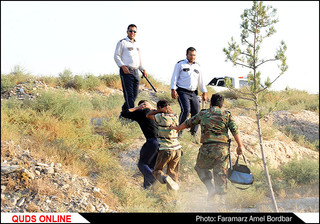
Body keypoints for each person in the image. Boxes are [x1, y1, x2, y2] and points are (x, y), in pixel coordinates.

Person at [171, 93, 243, 198]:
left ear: (210, 103)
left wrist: (177, 128)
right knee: (220, 174)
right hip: (222, 149)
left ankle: (211, 189)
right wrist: (240, 145)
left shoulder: (203, 114)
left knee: (200, 168)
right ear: (222, 105)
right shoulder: (227, 115)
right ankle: (221, 203)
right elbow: (234, 130)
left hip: (207, 148)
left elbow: (188, 123)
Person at [120, 100, 158, 189]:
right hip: (163, 143)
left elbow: (124, 114)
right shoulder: (157, 113)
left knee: (142, 164)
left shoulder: (141, 113)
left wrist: (137, 108)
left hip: (152, 142)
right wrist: (152, 107)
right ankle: (148, 188)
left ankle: (153, 179)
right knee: (151, 166)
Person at [170, 47, 207, 136]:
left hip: (193, 92)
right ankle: (179, 131)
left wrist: (204, 92)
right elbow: (174, 77)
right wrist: (173, 89)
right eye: (190, 55)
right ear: (186, 55)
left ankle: (193, 133)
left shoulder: (198, 66)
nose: (192, 57)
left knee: (197, 112)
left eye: (194, 55)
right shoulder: (180, 64)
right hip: (182, 91)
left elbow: (201, 81)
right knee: (186, 110)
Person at [146, 100, 182, 191]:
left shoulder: (160, 116)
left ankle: (164, 178)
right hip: (177, 149)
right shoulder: (175, 116)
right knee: (173, 174)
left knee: (157, 171)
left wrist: (159, 110)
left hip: (166, 149)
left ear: (159, 108)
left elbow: (148, 115)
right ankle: (172, 197)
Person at [114, 24, 148, 114]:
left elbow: (139, 59)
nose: (132, 33)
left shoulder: (137, 44)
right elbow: (116, 56)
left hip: (136, 71)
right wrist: (122, 66)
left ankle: (125, 112)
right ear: (127, 31)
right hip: (126, 70)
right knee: (129, 95)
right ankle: (132, 116)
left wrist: (143, 69)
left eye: (134, 31)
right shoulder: (122, 42)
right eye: (131, 31)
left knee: (135, 95)